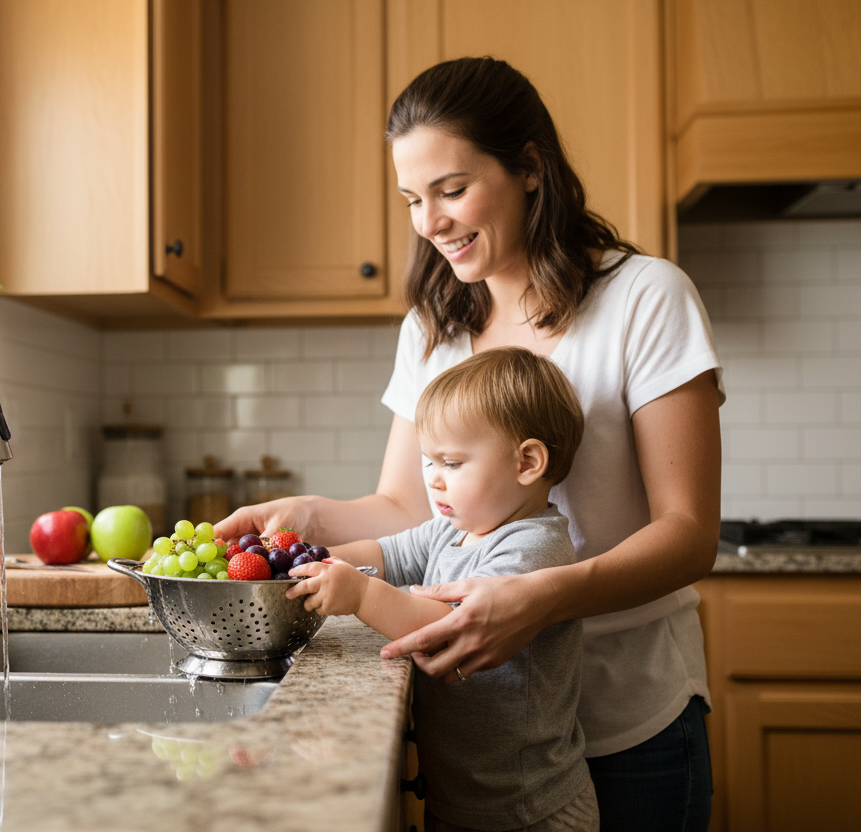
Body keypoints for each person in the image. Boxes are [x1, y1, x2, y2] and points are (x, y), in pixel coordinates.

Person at [215, 56, 723, 832]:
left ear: (529, 167)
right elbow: (404, 508)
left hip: (630, 719)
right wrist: (306, 520)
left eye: (451, 191)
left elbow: (687, 536)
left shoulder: (643, 298)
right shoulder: (432, 327)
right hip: (486, 734)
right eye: (413, 199)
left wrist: (540, 598)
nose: (429, 222)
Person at [288, 346, 596, 831]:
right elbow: (384, 554)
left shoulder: (536, 548)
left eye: (451, 463)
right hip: (461, 798)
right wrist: (308, 557)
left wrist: (363, 596)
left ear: (528, 462)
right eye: (427, 461)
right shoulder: (454, 528)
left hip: (531, 808)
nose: (432, 480)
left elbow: (454, 630)